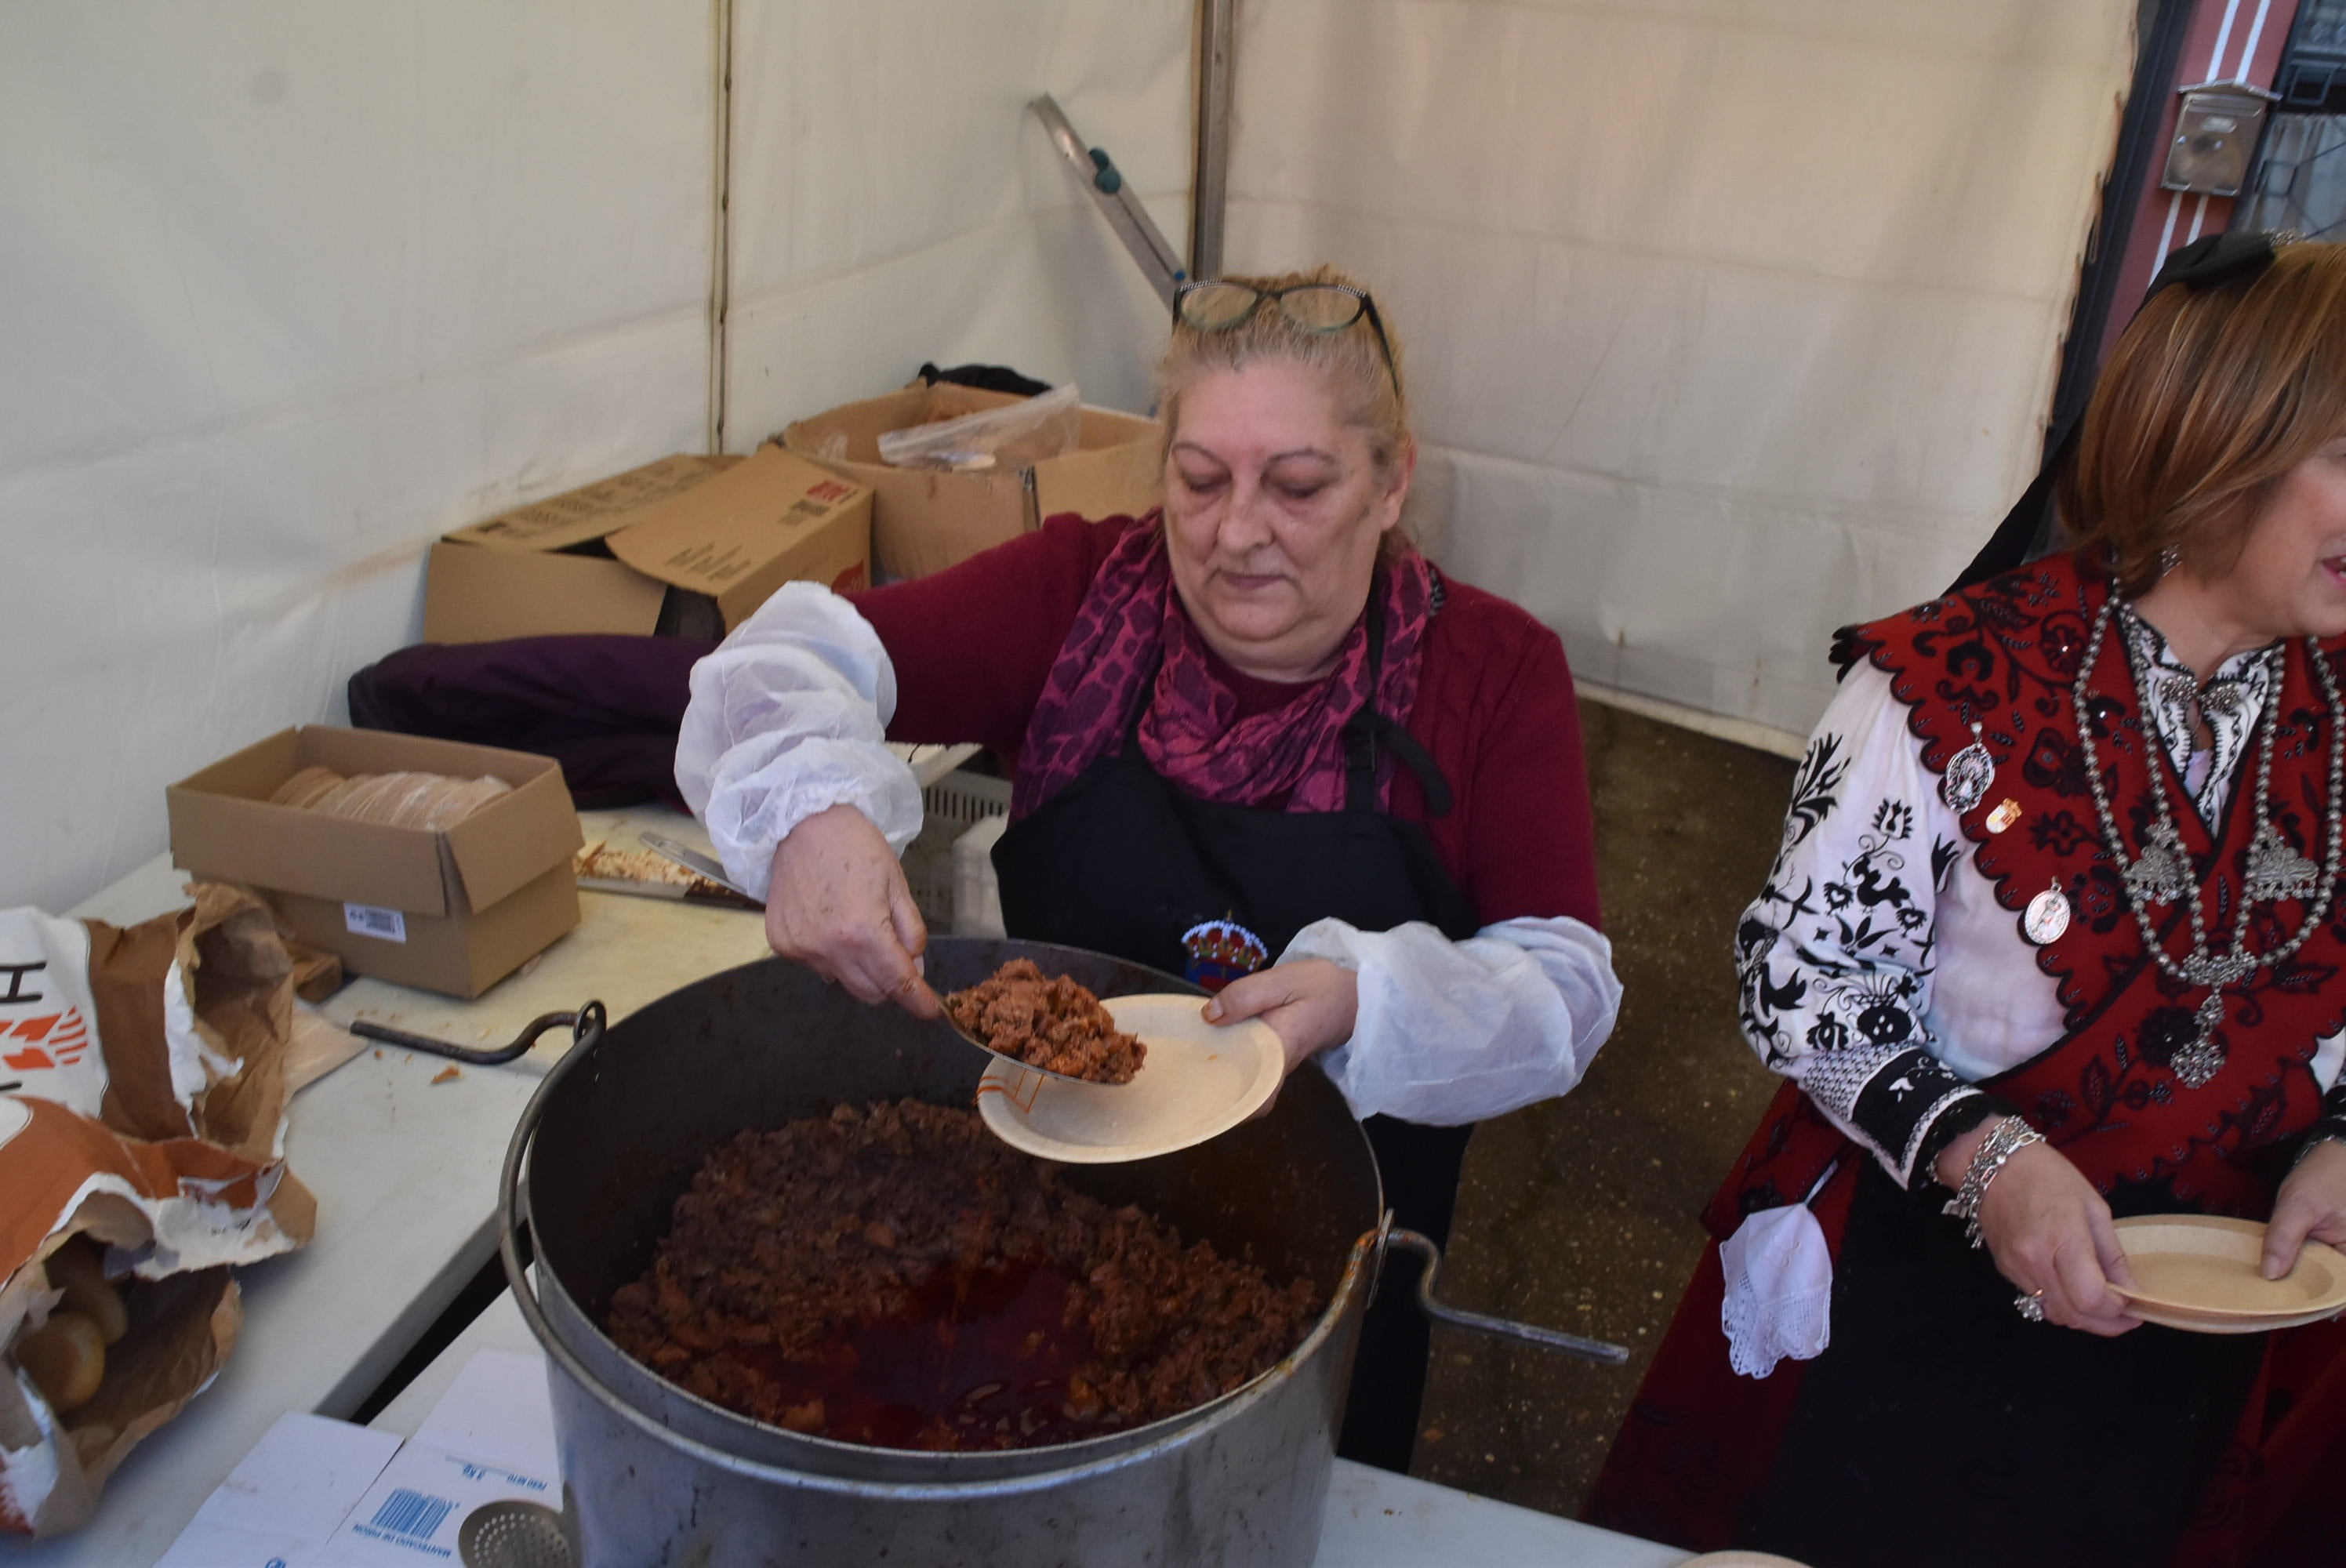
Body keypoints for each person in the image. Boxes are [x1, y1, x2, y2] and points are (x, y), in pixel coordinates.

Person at [674, 267, 1622, 1472]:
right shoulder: (1080, 597)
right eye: (1200, 479)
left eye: (1299, 485)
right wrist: (809, 808)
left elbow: (1563, 988)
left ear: (1391, 484)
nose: (1236, 534)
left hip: (1330, 1292)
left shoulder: (1491, 671)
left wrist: (1366, 1000)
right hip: (1049, 1253)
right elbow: (799, 650)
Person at [1589, 236, 2346, 1566]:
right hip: (1941, 1314)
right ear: (2224, 438)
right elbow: (1803, 978)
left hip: (2220, 1329)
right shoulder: (1946, 688)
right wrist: (1988, 1158)